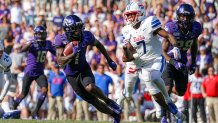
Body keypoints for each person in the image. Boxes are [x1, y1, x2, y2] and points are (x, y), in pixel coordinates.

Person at [118, 1, 184, 123]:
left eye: (132, 14)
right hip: (142, 64)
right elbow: (128, 58)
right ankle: (174, 112)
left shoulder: (149, 22)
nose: (129, 17)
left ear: (140, 13)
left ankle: (169, 102)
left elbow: (168, 35)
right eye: (128, 15)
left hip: (156, 59)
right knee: (155, 95)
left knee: (153, 76)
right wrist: (126, 50)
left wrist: (175, 46)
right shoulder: (126, 30)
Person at [54, 14, 122, 123]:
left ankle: (108, 101)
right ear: (68, 29)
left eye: (79, 27)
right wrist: (72, 54)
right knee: (93, 101)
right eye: (75, 28)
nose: (79, 30)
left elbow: (98, 44)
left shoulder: (86, 36)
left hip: (83, 68)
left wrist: (109, 60)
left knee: (90, 87)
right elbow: (59, 61)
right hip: (71, 75)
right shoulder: (60, 39)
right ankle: (115, 115)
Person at [161, 3, 202, 122]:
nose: (185, 19)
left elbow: (194, 45)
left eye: (187, 17)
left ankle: (161, 91)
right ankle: (163, 116)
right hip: (168, 60)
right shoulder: (171, 28)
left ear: (192, 17)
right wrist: (174, 63)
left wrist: (193, 62)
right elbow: (162, 51)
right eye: (182, 16)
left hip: (182, 61)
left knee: (181, 92)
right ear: (178, 16)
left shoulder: (196, 28)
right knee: (167, 87)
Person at [12, 25, 56, 119]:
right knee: (23, 94)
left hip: (40, 72)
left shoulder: (48, 43)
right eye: (38, 34)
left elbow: (56, 53)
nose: (40, 36)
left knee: (44, 90)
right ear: (35, 34)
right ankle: (13, 108)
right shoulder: (32, 42)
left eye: (41, 34)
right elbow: (22, 50)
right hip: (29, 72)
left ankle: (35, 112)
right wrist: (29, 43)